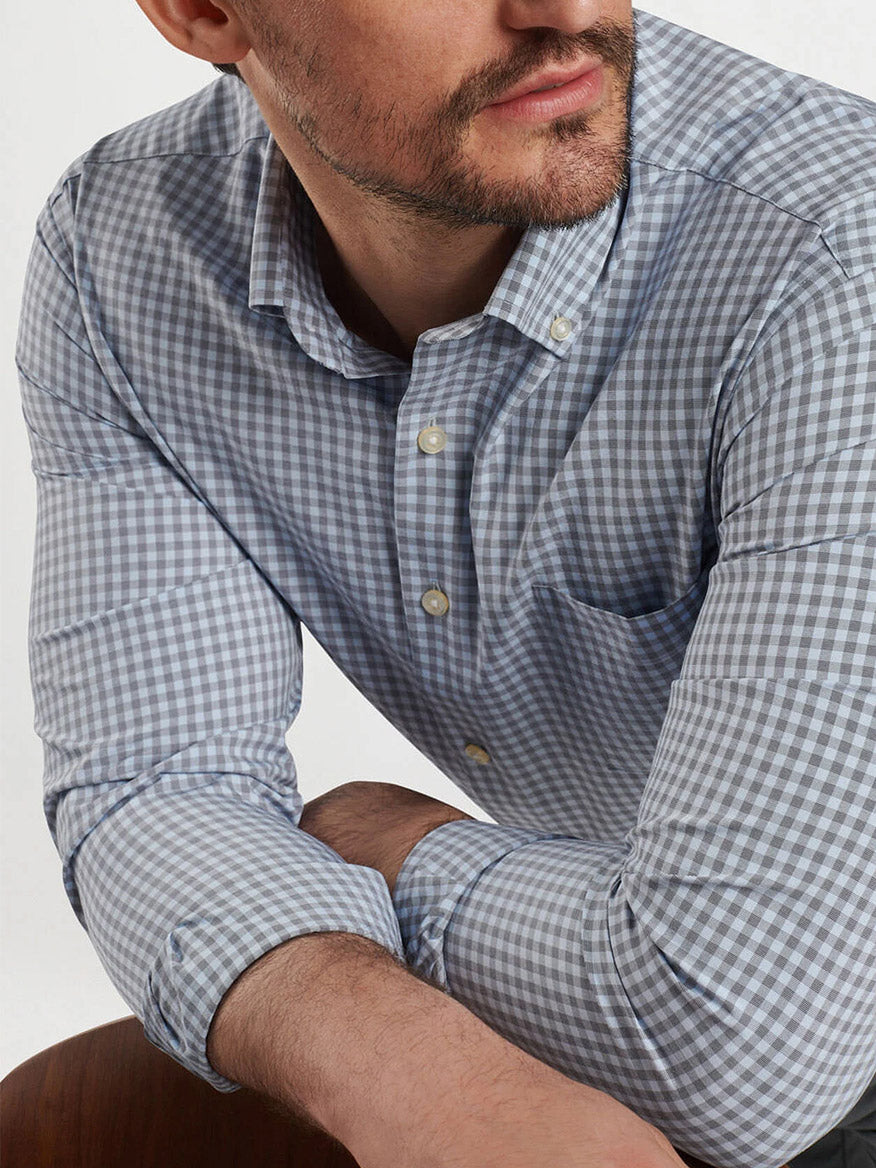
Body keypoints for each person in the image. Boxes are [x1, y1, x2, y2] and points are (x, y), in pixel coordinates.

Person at [14, 0, 875, 1163]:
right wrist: (412, 1070)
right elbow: (155, 784)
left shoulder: (835, 251)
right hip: (604, 1000)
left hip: (810, 1051)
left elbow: (747, 1050)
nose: (566, 12)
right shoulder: (124, 251)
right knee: (62, 1127)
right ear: (205, 13)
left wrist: (386, 839)